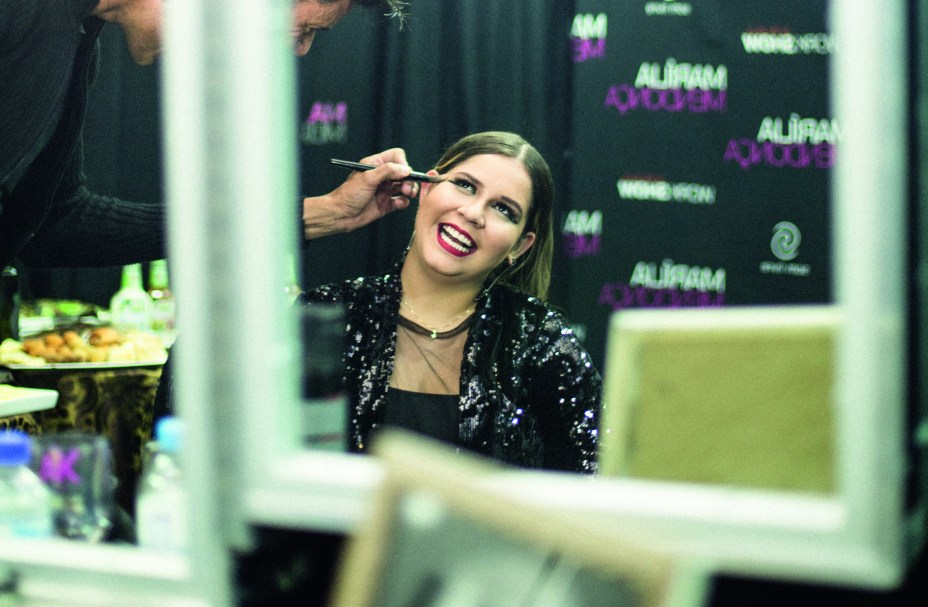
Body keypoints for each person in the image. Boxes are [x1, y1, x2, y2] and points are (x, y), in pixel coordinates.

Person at [0, 0, 418, 271]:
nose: (295, 52)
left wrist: (326, 213)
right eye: (299, 32)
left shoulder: (76, 35)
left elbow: (52, 225)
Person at [299, 131, 602, 474]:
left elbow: (589, 496)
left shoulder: (543, 345)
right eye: (466, 185)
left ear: (520, 246)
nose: (474, 212)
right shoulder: (325, 316)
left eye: (503, 209)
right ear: (426, 187)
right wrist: (333, 212)